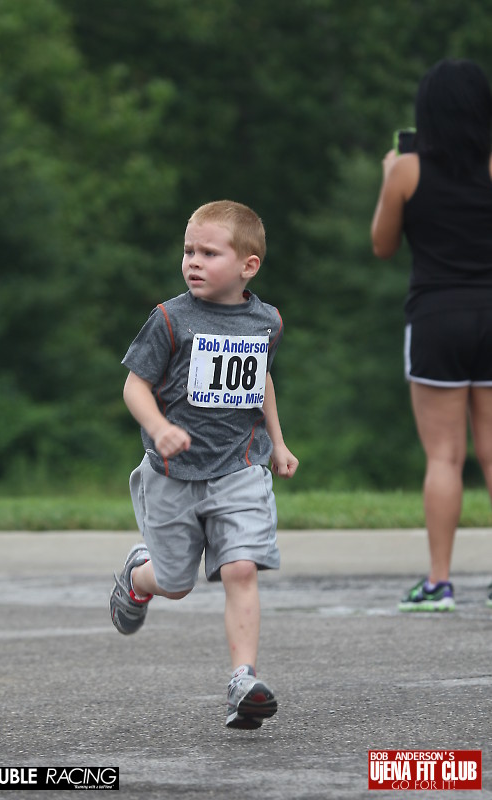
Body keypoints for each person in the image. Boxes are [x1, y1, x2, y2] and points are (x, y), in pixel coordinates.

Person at [110, 199, 299, 727]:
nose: (193, 261)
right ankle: (137, 576)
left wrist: (278, 443)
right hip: (172, 475)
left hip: (240, 469)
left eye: (209, 253)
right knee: (175, 583)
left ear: (248, 266)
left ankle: (244, 680)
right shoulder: (170, 318)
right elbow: (135, 385)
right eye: (188, 251)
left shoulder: (267, 321)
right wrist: (160, 427)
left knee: (240, 567)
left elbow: (261, 381)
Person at [371, 58, 492, 612]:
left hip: (437, 317)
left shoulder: (407, 170)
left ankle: (439, 582)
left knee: (444, 456)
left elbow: (383, 245)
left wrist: (387, 176)